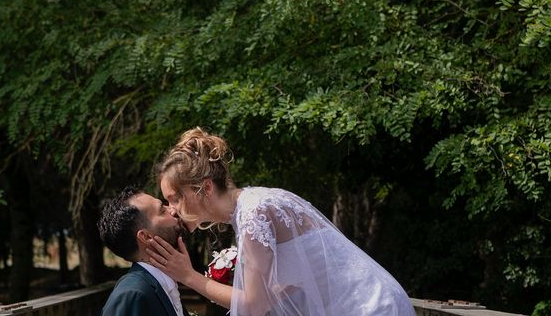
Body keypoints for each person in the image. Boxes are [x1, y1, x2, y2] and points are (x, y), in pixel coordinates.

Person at [146, 127, 416, 316]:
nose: (172, 210)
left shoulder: (253, 214)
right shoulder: (253, 203)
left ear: (204, 188)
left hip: (369, 308)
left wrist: (188, 276)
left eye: (175, 198)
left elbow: (253, 306)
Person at [98, 186, 189, 316]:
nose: (173, 210)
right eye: (163, 210)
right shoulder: (132, 294)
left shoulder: (161, 284)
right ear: (146, 237)